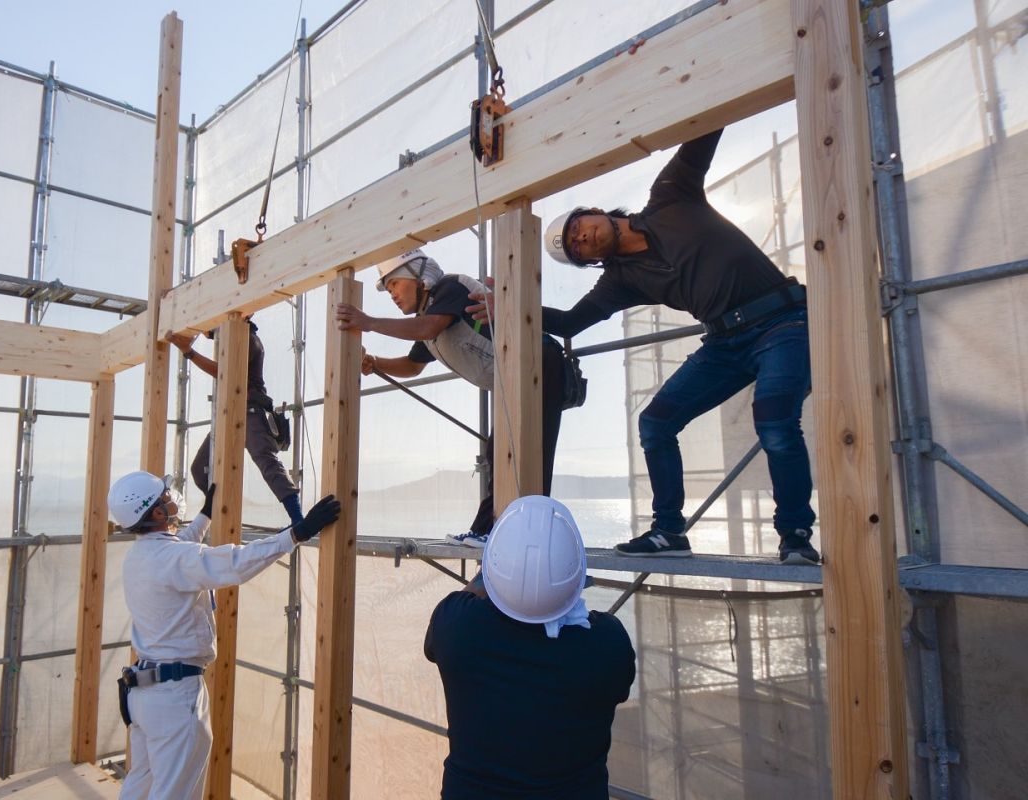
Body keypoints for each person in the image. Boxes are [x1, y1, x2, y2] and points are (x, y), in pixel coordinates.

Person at [469, 128, 819, 565]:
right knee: (655, 422)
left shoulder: (672, 196)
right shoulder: (621, 279)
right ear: (589, 262)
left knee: (774, 420)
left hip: (784, 322)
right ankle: (669, 531)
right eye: (577, 248)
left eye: (579, 228)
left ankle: (795, 536)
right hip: (725, 342)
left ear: (594, 212)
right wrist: (509, 302)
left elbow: (706, 128)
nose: (583, 239)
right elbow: (573, 321)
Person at [109, 469, 339, 800]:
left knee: (140, 783)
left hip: (144, 695)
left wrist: (204, 515)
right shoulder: (174, 558)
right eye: (165, 498)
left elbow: (182, 549)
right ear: (157, 513)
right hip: (175, 697)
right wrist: (296, 533)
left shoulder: (141, 556)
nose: (172, 500)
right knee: (174, 793)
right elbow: (235, 562)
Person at [334, 248, 567, 548]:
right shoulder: (428, 317)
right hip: (515, 380)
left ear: (419, 276)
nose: (391, 293)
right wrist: (376, 363)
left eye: (394, 283)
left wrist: (369, 323)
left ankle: (526, 540)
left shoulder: (450, 288)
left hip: (540, 364)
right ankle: (494, 532)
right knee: (502, 454)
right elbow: (413, 366)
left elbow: (428, 327)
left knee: (533, 457)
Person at [424, 495, 636, 799]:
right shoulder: (608, 645)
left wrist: (491, 571)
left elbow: (470, 597)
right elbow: (616, 678)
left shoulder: (457, 628)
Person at [167, 319, 303, 525]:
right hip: (228, 412)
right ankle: (221, 513)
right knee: (200, 468)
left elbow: (226, 373)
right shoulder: (231, 340)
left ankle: (297, 518)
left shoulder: (248, 339)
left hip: (250, 409)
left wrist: (189, 351)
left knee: (265, 459)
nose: (207, 332)